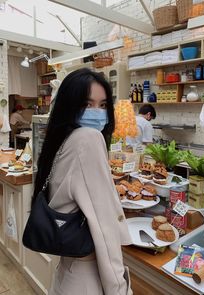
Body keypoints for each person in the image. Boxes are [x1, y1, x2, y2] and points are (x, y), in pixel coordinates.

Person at [32, 68, 133, 295]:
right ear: (69, 106)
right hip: (90, 278)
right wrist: (120, 289)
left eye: (103, 105)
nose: (97, 112)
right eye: (87, 104)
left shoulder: (63, 140)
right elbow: (104, 228)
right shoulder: (88, 138)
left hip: (69, 272)